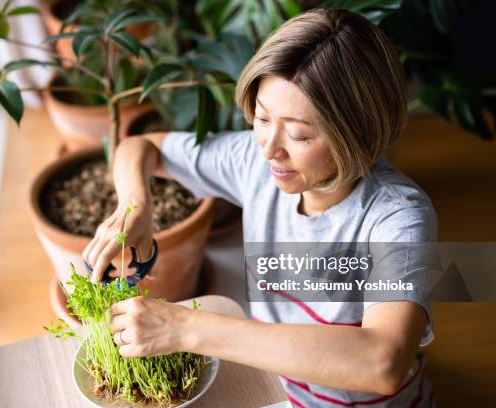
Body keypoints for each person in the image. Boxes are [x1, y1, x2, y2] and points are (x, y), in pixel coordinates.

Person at [82, 8, 437, 407]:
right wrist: (135, 208)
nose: (269, 150)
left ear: (358, 133)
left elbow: (382, 363)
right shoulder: (253, 161)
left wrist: (183, 327)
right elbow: (139, 147)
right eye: (263, 118)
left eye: (299, 135)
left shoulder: (399, 219)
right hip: (273, 387)